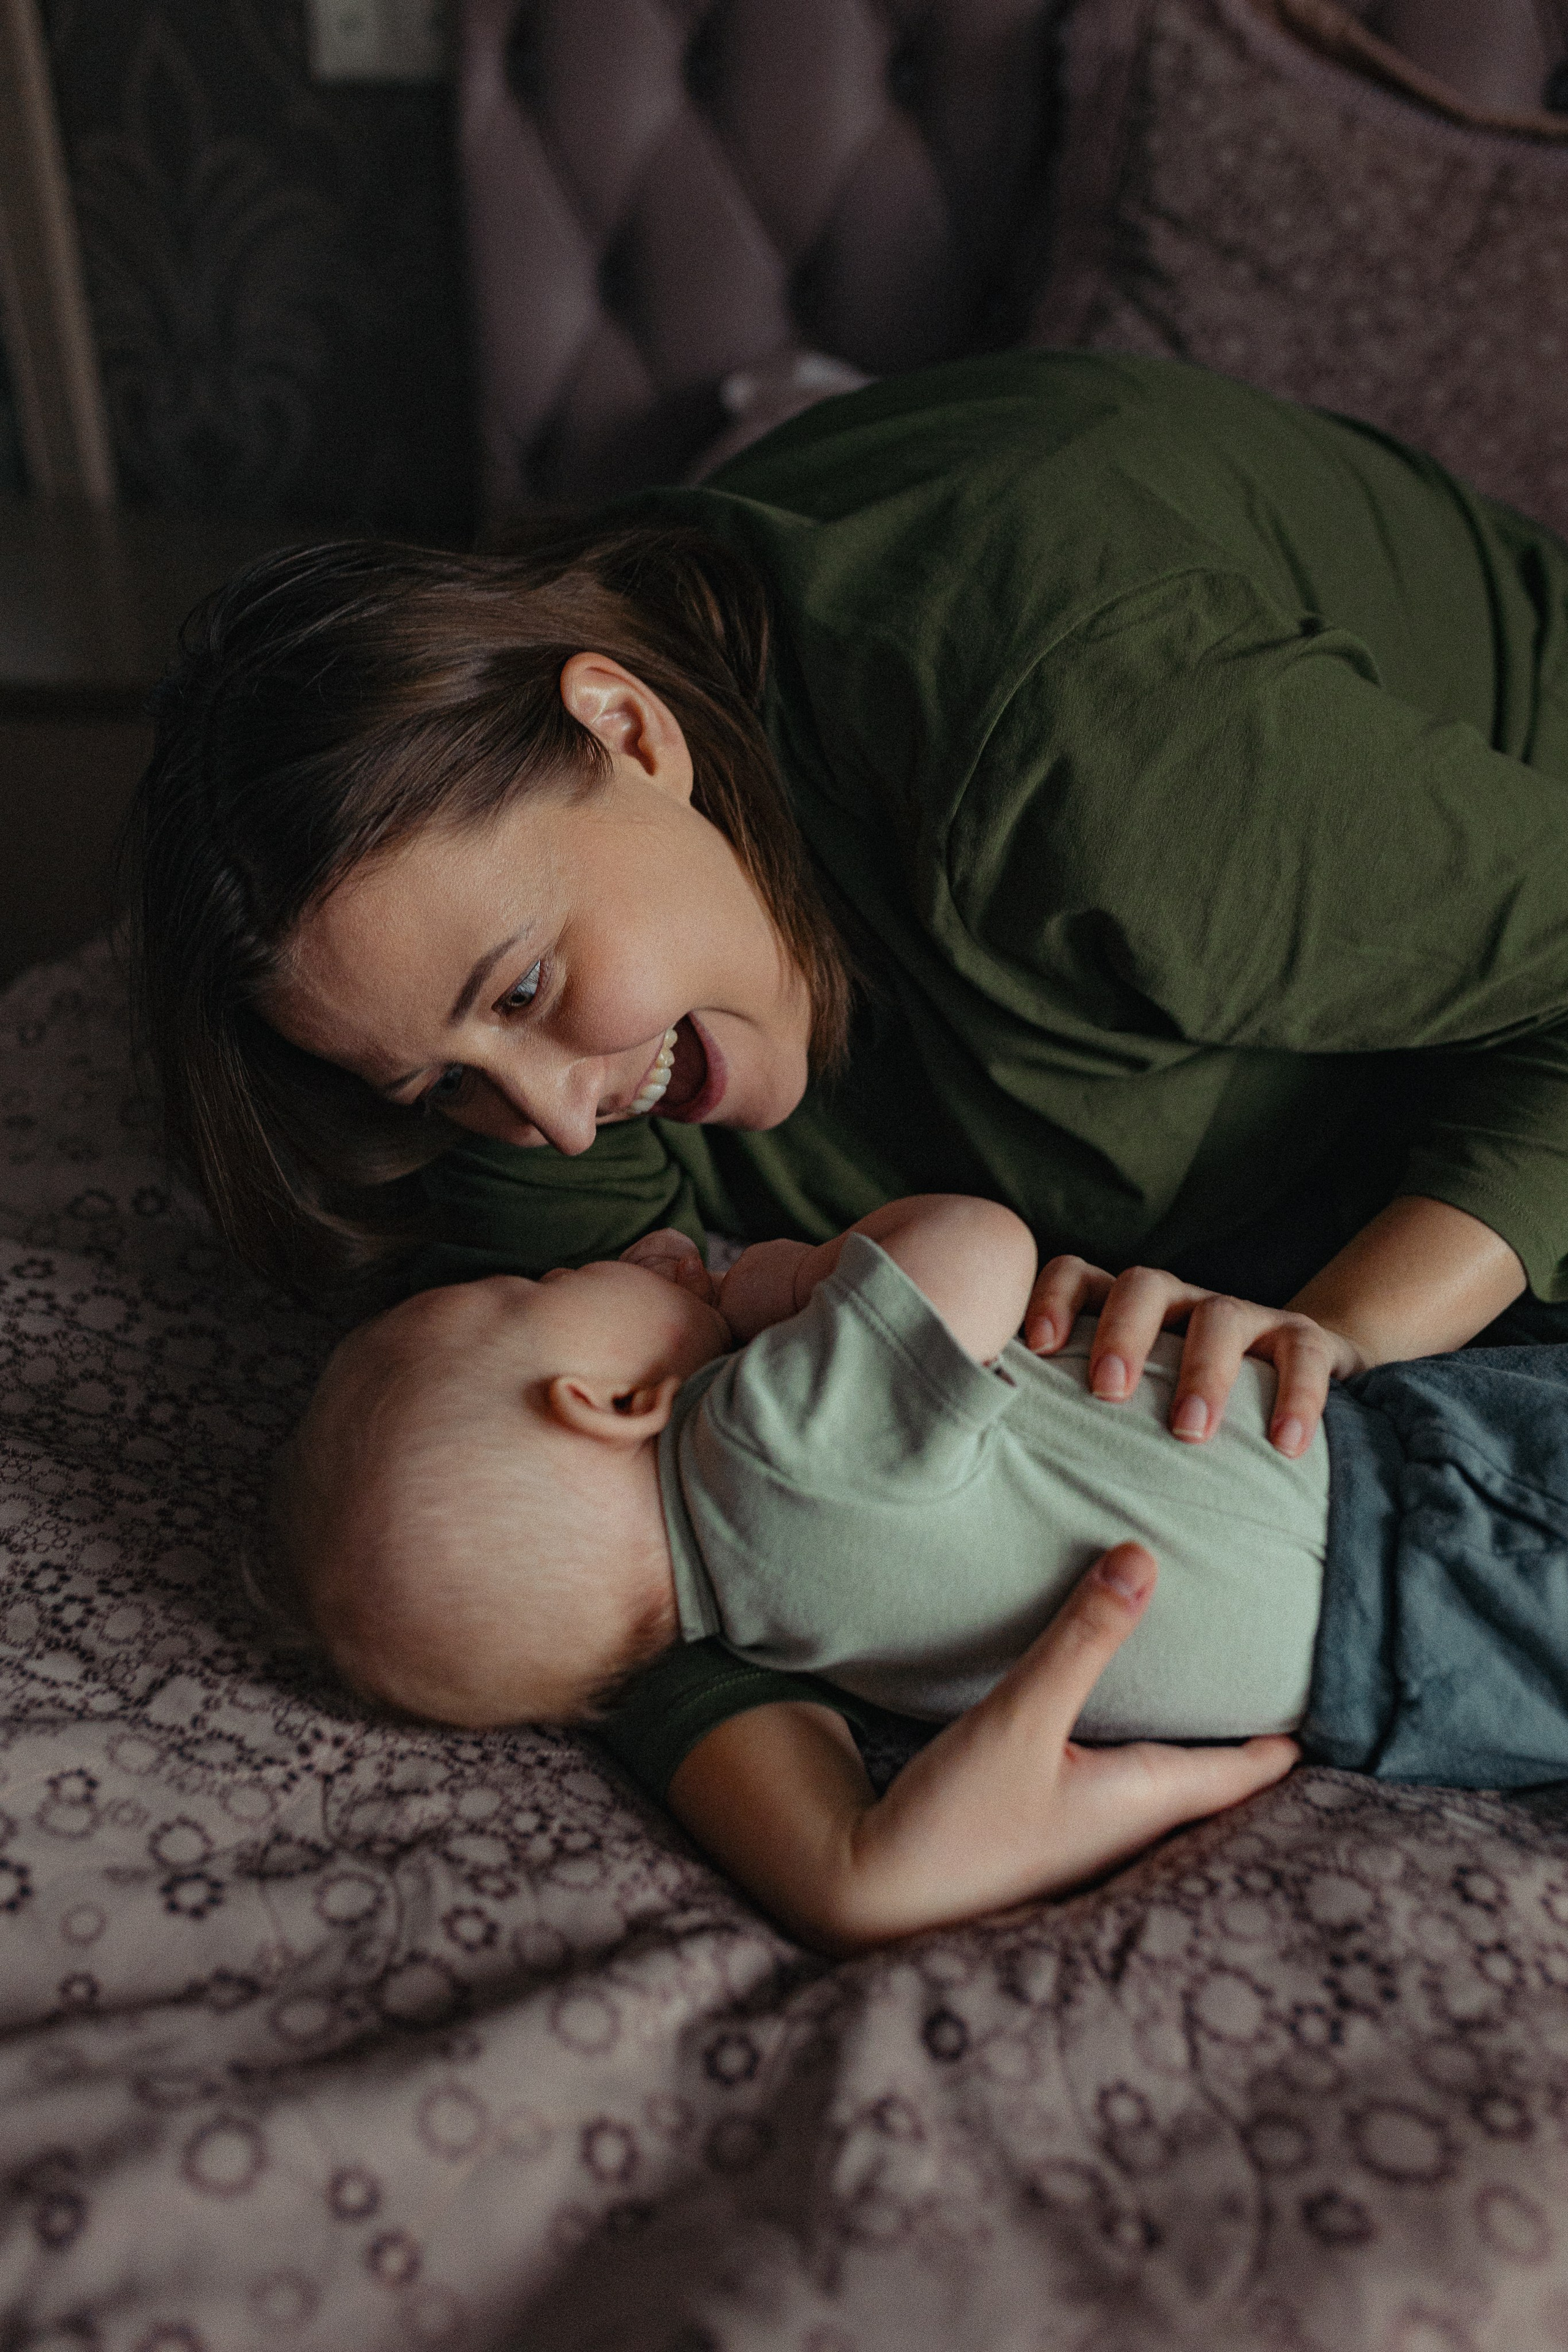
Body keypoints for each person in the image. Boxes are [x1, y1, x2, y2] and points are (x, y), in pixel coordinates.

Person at [129, 349, 1568, 1918]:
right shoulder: (512, 1062)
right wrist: (837, 1855)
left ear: (625, 727)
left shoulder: (1077, 750)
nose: (543, 1114)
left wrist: (1334, 1336)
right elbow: (574, 1552)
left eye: (529, 988)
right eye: (443, 1082)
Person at [274, 1194, 1568, 1953]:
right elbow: (975, 1244)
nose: (584, 1261)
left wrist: (1188, 1780)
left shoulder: (768, 1640)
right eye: (542, 1285)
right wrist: (792, 1278)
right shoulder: (753, 1441)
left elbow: (884, 1862)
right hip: (1422, 1493)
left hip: (1395, 1688)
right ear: (607, 1400)